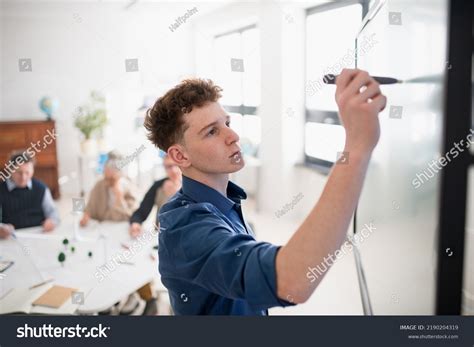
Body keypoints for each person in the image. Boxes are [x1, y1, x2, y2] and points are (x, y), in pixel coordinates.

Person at [144, 71, 386, 315]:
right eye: (211, 132)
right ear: (180, 156)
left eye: (226, 123)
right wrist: (356, 145)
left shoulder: (227, 202)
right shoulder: (184, 228)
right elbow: (291, 281)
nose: (233, 136)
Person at [0, 150, 59, 239]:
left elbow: (53, 213)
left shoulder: (41, 188)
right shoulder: (1, 190)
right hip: (11, 238)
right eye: (19, 172)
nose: (23, 177)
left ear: (33, 170)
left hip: (39, 235)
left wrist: (52, 221)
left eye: (27, 172)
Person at [80, 151, 138, 227]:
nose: (108, 179)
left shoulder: (127, 186)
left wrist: (119, 197)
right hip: (103, 225)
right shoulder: (99, 185)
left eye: (112, 177)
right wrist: (86, 215)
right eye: (106, 173)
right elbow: (90, 206)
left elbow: (131, 214)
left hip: (121, 226)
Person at [129, 155, 182, 238]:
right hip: (161, 235)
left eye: (176, 165)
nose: (173, 170)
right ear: (164, 168)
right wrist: (136, 222)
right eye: (168, 166)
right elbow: (142, 211)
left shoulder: (191, 186)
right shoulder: (157, 186)